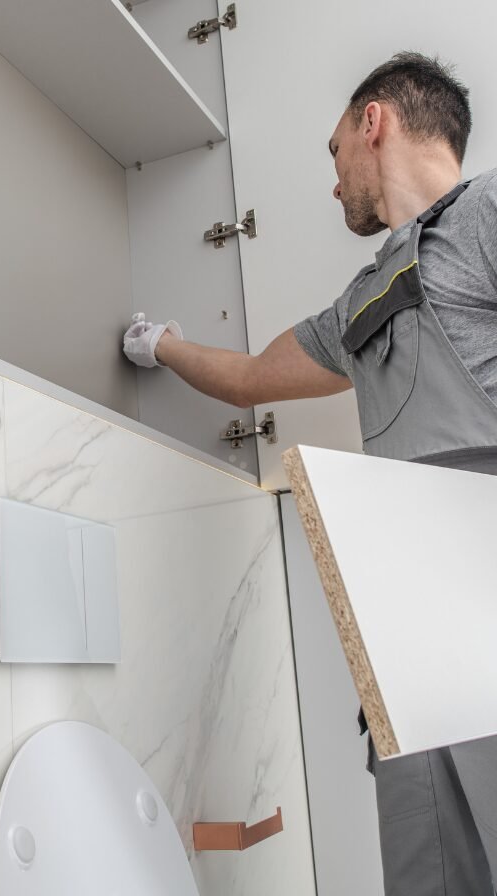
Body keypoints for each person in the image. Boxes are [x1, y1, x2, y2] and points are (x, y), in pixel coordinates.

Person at [123, 51, 497, 895]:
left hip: (486, 601)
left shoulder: (488, 214)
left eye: (333, 153)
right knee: (426, 864)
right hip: (407, 647)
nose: (333, 183)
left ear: (374, 123)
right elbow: (254, 376)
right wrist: (165, 344)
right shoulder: (361, 301)